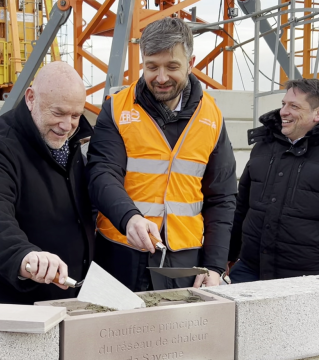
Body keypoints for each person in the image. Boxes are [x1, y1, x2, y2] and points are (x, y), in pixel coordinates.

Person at [87, 18, 237, 292]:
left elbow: (222, 196)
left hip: (186, 261)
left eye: (172, 67)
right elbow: (101, 174)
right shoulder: (117, 110)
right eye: (151, 66)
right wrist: (130, 218)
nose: (161, 77)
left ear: (191, 63)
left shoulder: (212, 116)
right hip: (121, 253)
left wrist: (215, 266)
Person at [0, 61, 94, 305]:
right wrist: (22, 255)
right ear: (31, 98)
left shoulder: (74, 142)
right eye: (58, 113)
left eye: (75, 115)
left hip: (67, 296)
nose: (67, 125)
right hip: (14, 304)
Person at [228, 78, 319, 283]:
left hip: (309, 280)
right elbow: (241, 207)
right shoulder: (263, 147)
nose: (283, 112)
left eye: (294, 106)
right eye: (283, 104)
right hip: (251, 270)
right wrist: (225, 258)